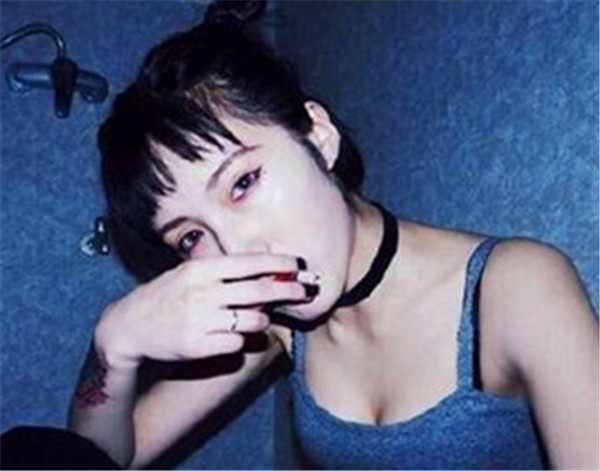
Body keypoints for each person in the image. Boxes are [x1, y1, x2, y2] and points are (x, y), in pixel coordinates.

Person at [67, 1, 599, 469]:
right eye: (190, 238)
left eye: (243, 183)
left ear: (318, 136)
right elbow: (104, 458)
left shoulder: (514, 288)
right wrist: (113, 347)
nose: (237, 251)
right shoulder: (276, 326)